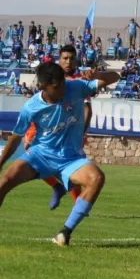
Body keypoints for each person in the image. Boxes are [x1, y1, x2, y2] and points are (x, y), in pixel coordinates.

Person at [0, 63, 119, 246]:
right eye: (57, 86)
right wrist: (1, 163)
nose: (63, 89)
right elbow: (16, 138)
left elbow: (115, 78)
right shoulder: (31, 107)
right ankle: (58, 188)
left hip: (71, 159)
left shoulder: (76, 87)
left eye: (63, 83)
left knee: (96, 178)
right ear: (42, 86)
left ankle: (65, 233)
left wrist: (99, 74)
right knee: (4, 182)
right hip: (40, 155)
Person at [24, 45, 95, 210]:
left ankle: (75, 200)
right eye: (65, 58)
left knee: (69, 165)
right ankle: (57, 187)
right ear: (59, 59)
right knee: (32, 157)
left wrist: (81, 133)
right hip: (44, 128)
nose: (68, 62)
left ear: (77, 60)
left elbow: (87, 109)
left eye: (71, 58)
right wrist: (30, 130)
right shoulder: (50, 77)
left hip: (68, 132)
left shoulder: (79, 82)